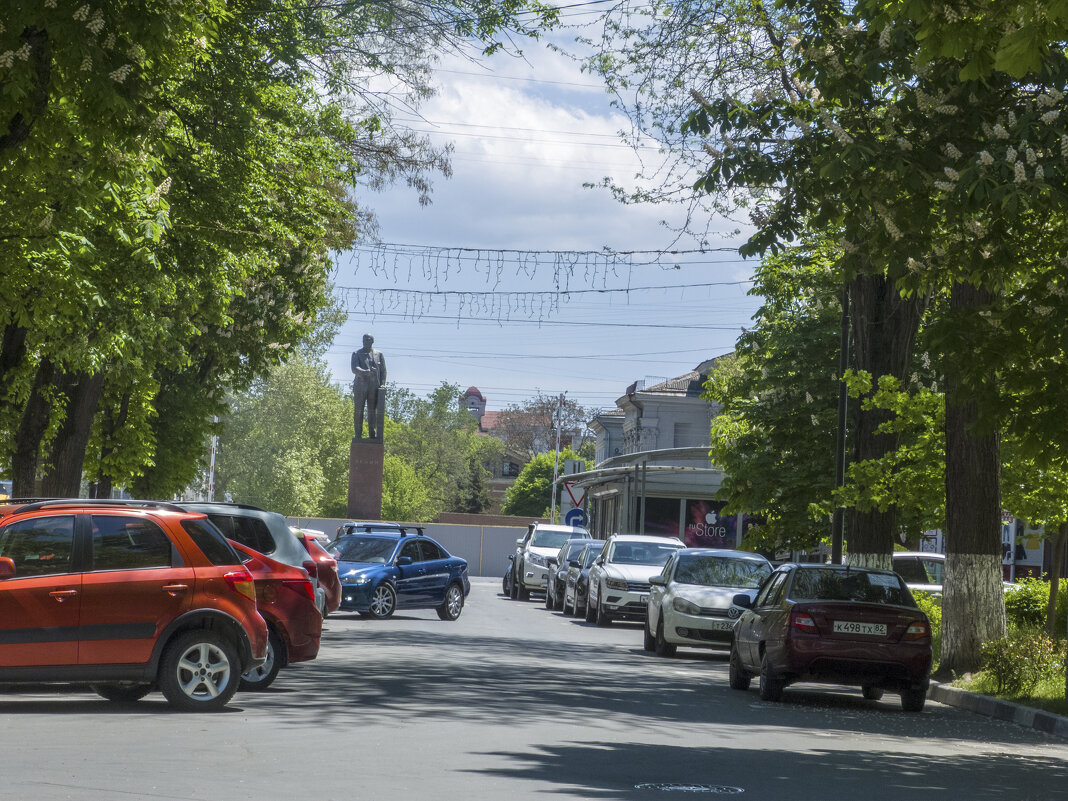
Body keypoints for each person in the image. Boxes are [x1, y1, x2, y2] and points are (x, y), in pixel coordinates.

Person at [351, 334, 386, 439]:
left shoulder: (379, 354)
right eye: (364, 340)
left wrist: (383, 383)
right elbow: (354, 369)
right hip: (360, 386)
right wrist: (366, 372)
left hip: (374, 387)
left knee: (372, 411)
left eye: (368, 339)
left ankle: (372, 434)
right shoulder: (356, 353)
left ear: (372, 341)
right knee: (358, 411)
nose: (366, 341)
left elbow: (383, 371)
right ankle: (358, 434)